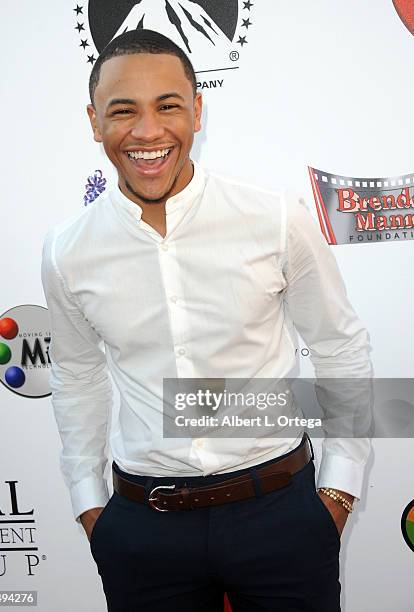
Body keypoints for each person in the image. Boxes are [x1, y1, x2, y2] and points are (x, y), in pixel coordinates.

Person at [41, 28, 372, 612]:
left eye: (168, 106)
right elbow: (77, 376)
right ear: (94, 122)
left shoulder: (273, 218)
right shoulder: (68, 251)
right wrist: (91, 506)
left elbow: (339, 346)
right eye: (124, 112)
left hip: (281, 513)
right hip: (144, 530)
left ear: (197, 110)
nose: (147, 132)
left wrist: (339, 489)